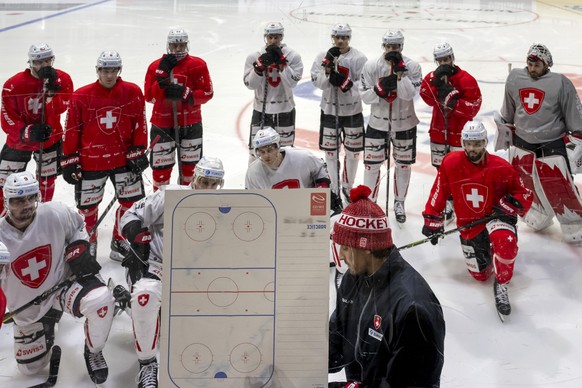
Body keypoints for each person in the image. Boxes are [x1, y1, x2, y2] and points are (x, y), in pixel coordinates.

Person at [0, 171, 115, 385]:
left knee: (100, 301)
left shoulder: (54, 213)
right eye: (18, 200)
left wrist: (79, 247)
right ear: (7, 201)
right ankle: (47, 324)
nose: (26, 205)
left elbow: (79, 228)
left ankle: (93, 350)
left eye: (30, 198)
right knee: (30, 369)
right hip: (29, 308)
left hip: (61, 288)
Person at [119, 156, 225, 388]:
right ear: (193, 178)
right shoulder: (170, 195)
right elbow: (129, 216)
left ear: (220, 185)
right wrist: (137, 236)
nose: (206, 189)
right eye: (203, 181)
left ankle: (131, 304)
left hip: (193, 273)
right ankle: (147, 364)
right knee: (145, 299)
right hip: (157, 265)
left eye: (212, 184)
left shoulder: (224, 206)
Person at [329, 185, 445, 387]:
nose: (340, 256)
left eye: (346, 248)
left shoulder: (413, 309)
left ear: (365, 248)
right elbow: (336, 340)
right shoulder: (353, 278)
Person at [421, 121, 533, 318]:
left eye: (477, 143)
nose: (472, 149)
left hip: (495, 218)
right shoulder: (450, 163)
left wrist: (510, 204)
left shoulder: (501, 167)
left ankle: (502, 283)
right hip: (469, 225)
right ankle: (491, 253)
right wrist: (432, 219)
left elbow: (524, 192)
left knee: (505, 244)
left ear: (484, 142)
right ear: (463, 143)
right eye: (468, 144)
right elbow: (439, 191)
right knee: (481, 275)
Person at [62, 50, 149, 261]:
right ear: (98, 70)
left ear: (119, 70)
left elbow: (140, 123)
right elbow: (72, 129)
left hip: (124, 160)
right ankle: (89, 245)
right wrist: (69, 160)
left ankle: (119, 241)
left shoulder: (133, 91)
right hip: (91, 162)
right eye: (105, 70)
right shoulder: (82, 95)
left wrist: (138, 149)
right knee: (89, 209)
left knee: (132, 204)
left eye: (113, 70)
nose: (109, 75)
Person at [498, 43, 582, 245]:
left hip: (552, 145)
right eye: (530, 63)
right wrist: (505, 128)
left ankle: (574, 223)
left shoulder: (560, 83)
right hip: (522, 144)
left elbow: (575, 118)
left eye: (537, 65)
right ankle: (538, 213)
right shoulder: (515, 78)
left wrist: (577, 140)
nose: (532, 68)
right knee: (527, 184)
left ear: (547, 64)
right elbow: (508, 112)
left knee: (559, 186)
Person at [0, 43, 74, 214]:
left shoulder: (63, 79)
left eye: (48, 61)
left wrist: (51, 95)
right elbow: (7, 118)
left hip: (49, 139)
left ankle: (42, 214)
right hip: (18, 142)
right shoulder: (13, 84)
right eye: (39, 62)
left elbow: (63, 107)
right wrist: (27, 131)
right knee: (4, 182)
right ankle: (3, 220)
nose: (44, 65)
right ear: (31, 62)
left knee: (47, 181)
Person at [359, 30, 422, 223]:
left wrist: (401, 76)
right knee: (371, 165)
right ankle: (371, 203)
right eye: (389, 46)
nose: (392, 50)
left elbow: (409, 95)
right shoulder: (371, 66)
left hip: (406, 123)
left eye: (396, 46)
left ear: (401, 46)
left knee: (403, 165)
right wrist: (379, 89)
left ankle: (399, 202)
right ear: (383, 46)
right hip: (377, 123)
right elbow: (364, 96)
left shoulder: (412, 66)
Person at [144, 27, 214, 190]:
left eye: (181, 45)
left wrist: (187, 94)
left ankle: (186, 208)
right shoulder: (156, 66)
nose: (177, 49)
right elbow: (149, 97)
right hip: (162, 126)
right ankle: (160, 209)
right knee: (161, 174)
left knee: (190, 174)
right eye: (174, 45)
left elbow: (208, 93)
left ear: (186, 45)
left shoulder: (198, 64)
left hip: (191, 125)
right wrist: (161, 80)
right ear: (168, 45)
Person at [420, 41, 482, 223]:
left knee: (462, 172)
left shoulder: (466, 79)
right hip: (439, 134)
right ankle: (447, 203)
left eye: (446, 58)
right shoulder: (432, 78)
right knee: (442, 172)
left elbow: (474, 107)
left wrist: (455, 102)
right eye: (440, 60)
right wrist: (437, 87)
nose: (444, 63)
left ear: (452, 57)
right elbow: (426, 98)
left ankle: (461, 203)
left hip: (460, 137)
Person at [310, 23, 367, 204]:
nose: (341, 41)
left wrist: (346, 83)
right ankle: (334, 188)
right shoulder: (323, 56)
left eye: (345, 37)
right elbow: (316, 81)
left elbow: (365, 85)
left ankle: (347, 186)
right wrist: (327, 71)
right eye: (338, 37)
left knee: (353, 153)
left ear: (349, 38)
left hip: (352, 111)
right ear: (333, 38)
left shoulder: (359, 58)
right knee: (331, 153)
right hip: (329, 110)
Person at [243, 21, 304, 164]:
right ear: (266, 37)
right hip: (260, 109)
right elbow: (250, 84)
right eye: (270, 37)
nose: (273, 40)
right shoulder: (255, 56)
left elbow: (293, 82)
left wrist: (282, 64)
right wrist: (258, 69)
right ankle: (253, 185)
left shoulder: (293, 55)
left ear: (281, 37)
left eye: (276, 37)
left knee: (286, 152)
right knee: (255, 151)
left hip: (285, 110)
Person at [245, 127, 343, 214]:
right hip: (277, 215)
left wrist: (322, 190)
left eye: (270, 150)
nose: (266, 155)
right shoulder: (254, 172)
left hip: (307, 208)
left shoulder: (301, 157)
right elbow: (251, 200)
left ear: (278, 147)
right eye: (262, 152)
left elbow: (320, 168)